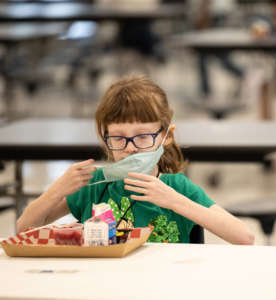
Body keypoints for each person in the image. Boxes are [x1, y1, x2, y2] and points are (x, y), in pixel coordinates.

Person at [16, 76, 255, 245]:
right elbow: (23, 230)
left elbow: (244, 237)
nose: (130, 149)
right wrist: (55, 190)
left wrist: (175, 202)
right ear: (105, 138)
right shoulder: (94, 184)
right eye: (118, 139)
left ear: (166, 136)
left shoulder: (176, 187)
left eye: (142, 137)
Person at [191, 0, 245, 101]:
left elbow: (230, 18)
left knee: (222, 58)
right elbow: (198, 21)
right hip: (204, 33)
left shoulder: (223, 4)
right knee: (202, 56)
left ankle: (241, 74)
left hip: (221, 31)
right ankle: (205, 92)